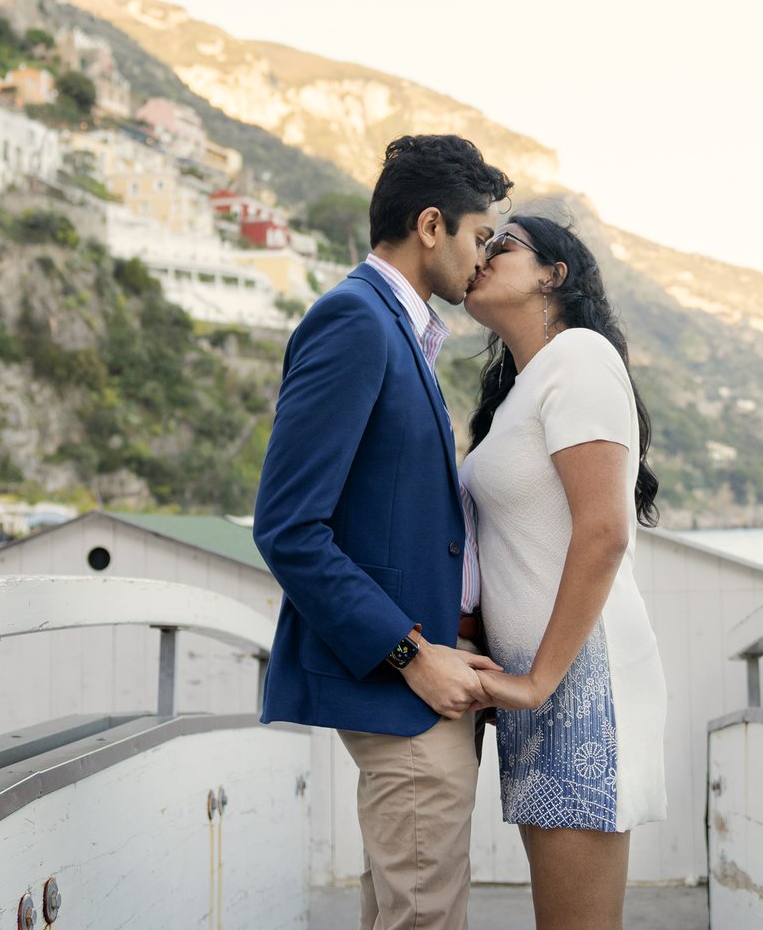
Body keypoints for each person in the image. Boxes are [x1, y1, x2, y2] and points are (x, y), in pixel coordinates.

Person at [253, 134, 513, 930]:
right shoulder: (355, 322)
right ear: (430, 226)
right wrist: (410, 654)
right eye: (478, 237)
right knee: (425, 918)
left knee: (406, 914)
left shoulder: (399, 330)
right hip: (404, 690)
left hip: (429, 678)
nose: (484, 259)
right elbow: (289, 527)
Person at [460, 213, 667, 930]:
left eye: (503, 245)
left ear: (555, 274)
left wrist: (537, 680)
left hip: (578, 683)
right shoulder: (523, 386)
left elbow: (604, 531)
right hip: (537, 688)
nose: (482, 253)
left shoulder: (579, 356)